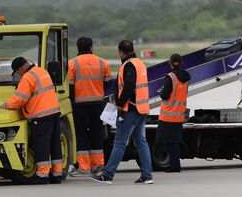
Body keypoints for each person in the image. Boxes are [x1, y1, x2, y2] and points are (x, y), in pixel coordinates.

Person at [91, 40, 153, 185]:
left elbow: (129, 86)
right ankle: (147, 175)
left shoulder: (129, 65)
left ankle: (107, 175)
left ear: (121, 52)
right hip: (141, 109)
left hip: (130, 110)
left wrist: (119, 104)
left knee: (119, 142)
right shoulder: (140, 63)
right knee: (141, 142)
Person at [0, 57, 63, 184]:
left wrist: (6, 105)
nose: (18, 74)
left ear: (21, 68)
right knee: (54, 144)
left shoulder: (28, 77)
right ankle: (56, 174)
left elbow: (20, 99)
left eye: (17, 72)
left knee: (42, 146)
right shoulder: (42, 71)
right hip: (54, 112)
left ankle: (42, 175)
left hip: (41, 115)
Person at [68, 37, 112, 177]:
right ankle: (98, 165)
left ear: (78, 48)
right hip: (98, 103)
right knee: (96, 134)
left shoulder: (72, 63)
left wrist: (73, 100)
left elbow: (70, 86)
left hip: (80, 105)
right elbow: (109, 83)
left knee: (81, 134)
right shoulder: (101, 61)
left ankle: (83, 167)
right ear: (91, 47)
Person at [156, 53, 190, 173]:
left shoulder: (170, 77)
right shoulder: (186, 77)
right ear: (181, 63)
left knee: (168, 142)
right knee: (174, 141)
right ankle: (176, 164)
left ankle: (175, 166)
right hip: (179, 115)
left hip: (168, 115)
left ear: (170, 63)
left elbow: (165, 95)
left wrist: (161, 92)